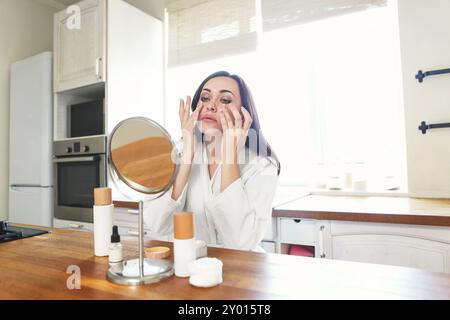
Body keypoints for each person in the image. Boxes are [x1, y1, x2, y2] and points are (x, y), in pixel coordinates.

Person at [144, 71, 280, 251]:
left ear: (244, 113)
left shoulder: (262, 165)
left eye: (225, 100)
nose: (211, 106)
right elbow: (157, 225)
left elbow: (241, 243)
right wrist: (187, 159)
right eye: (205, 97)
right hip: (190, 266)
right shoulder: (179, 152)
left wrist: (230, 158)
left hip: (241, 271)